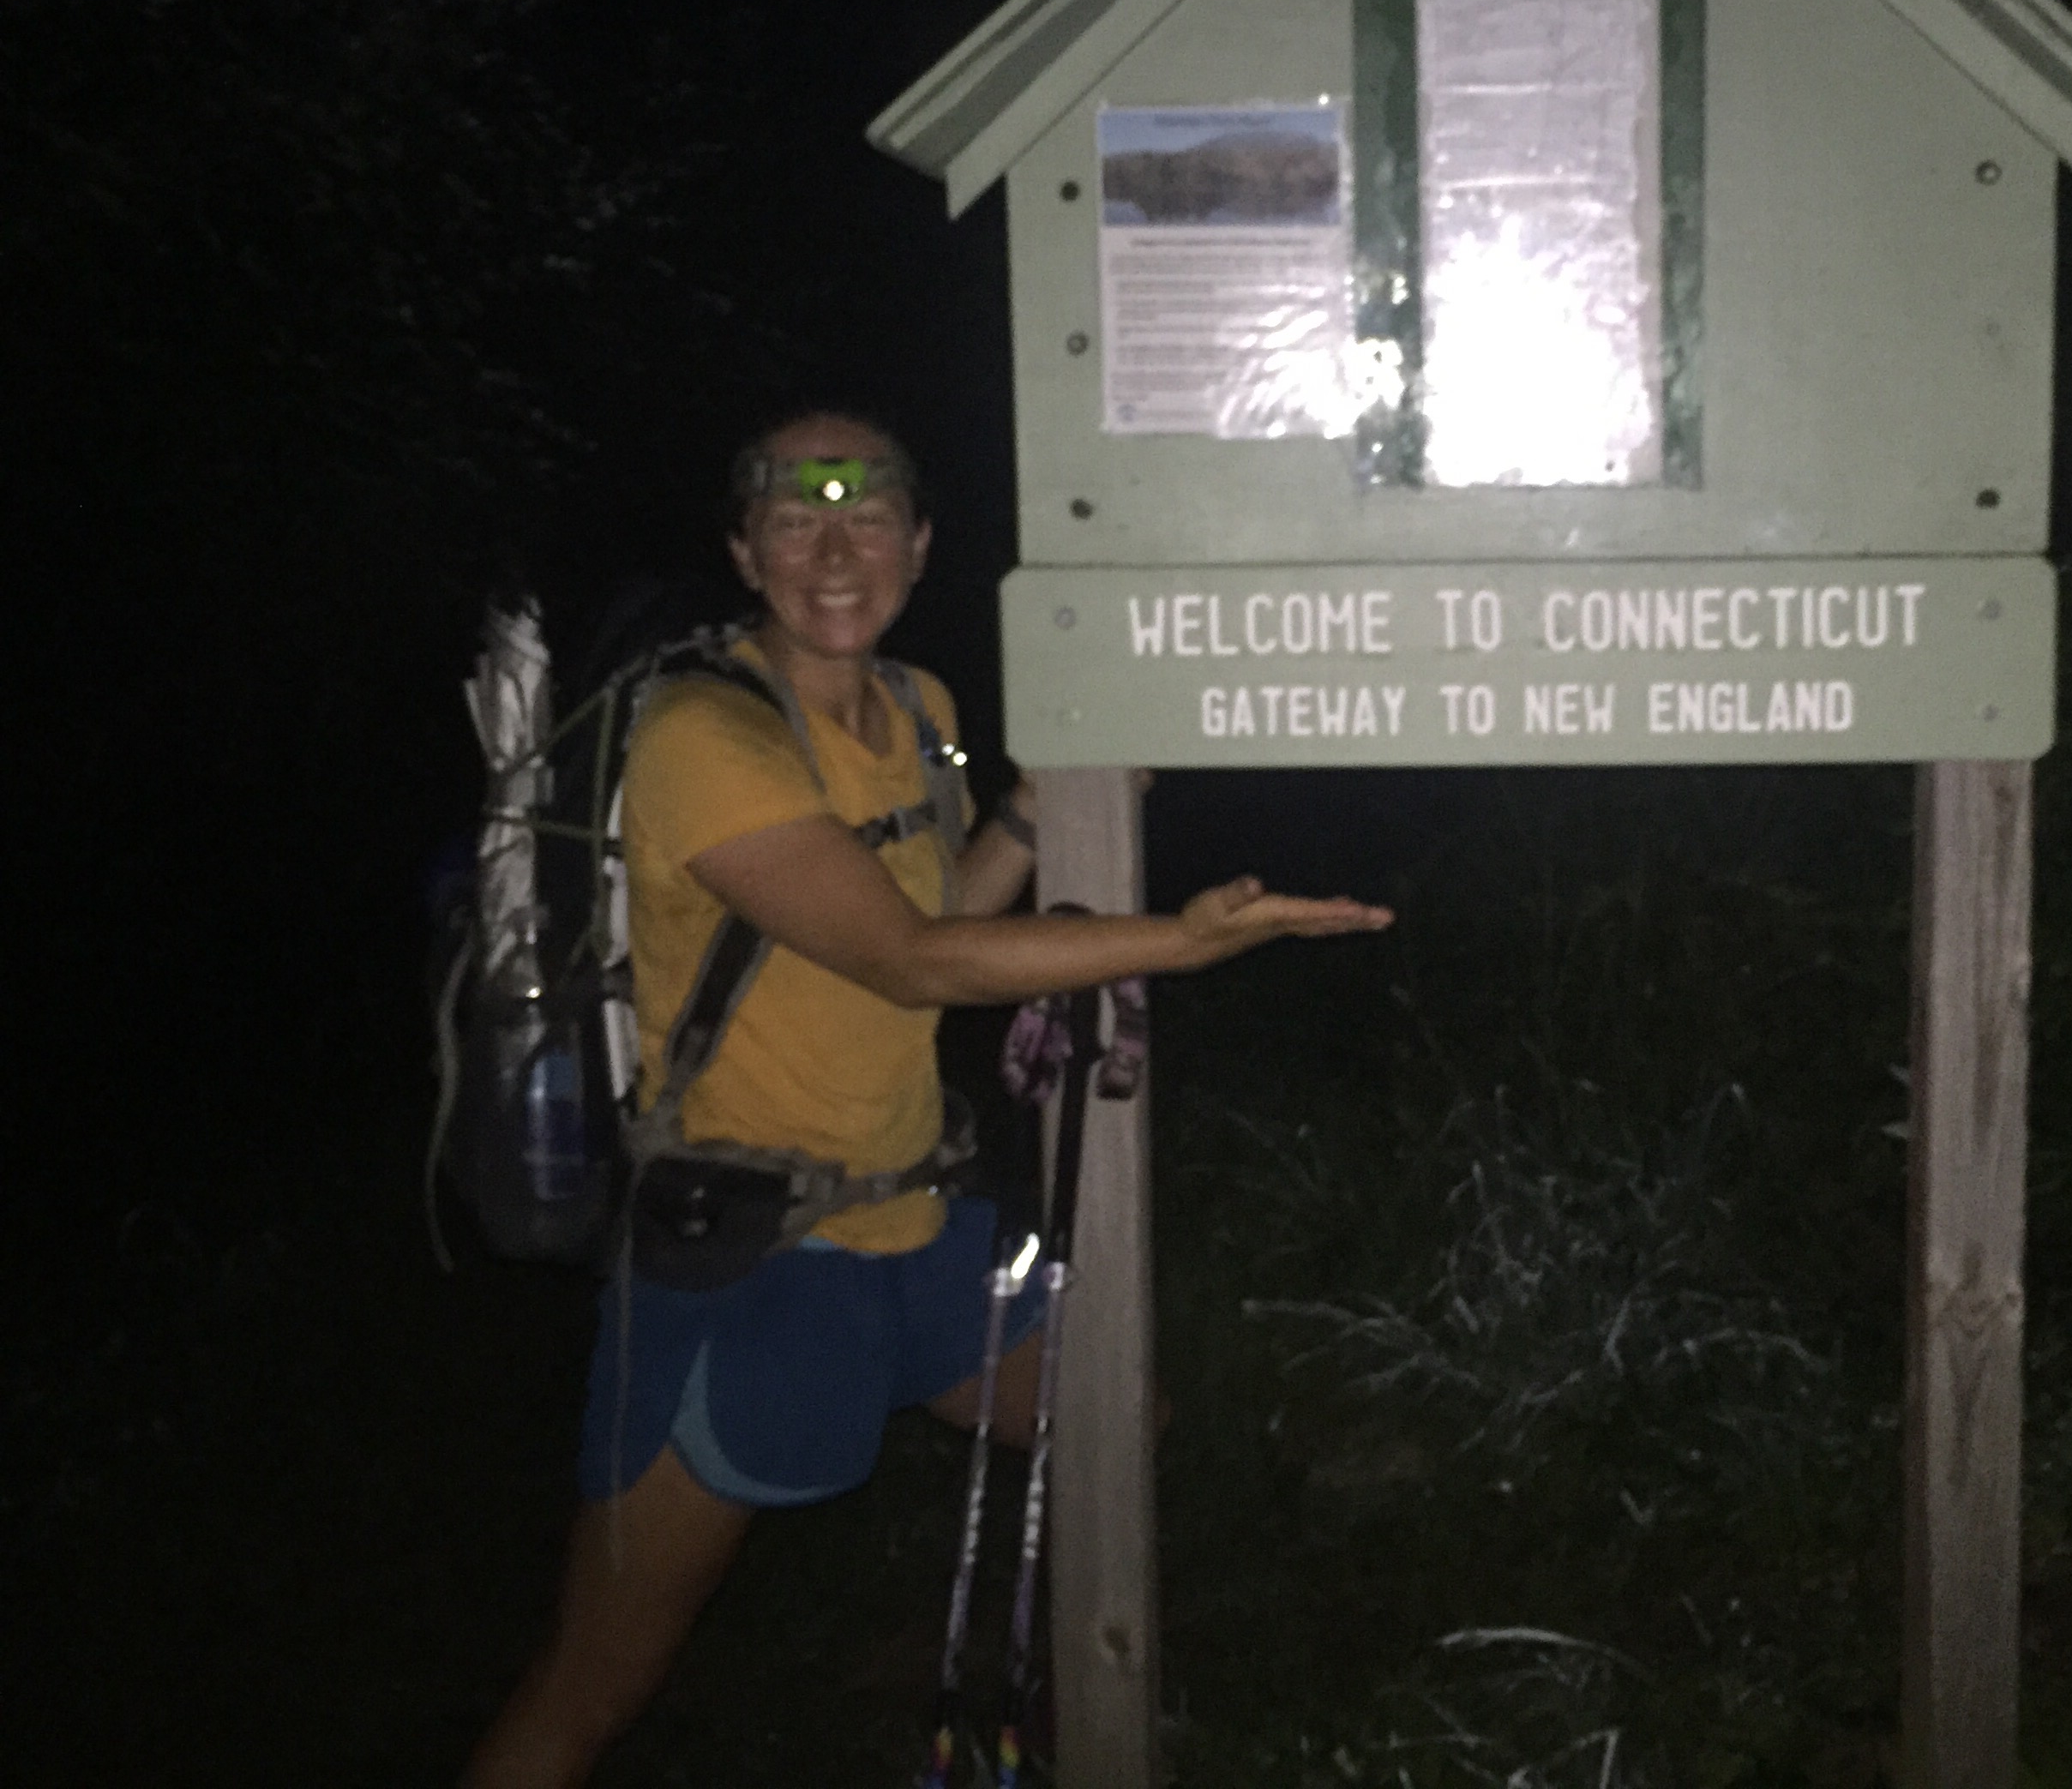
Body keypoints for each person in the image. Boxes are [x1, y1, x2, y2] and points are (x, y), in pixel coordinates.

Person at [465, 409, 1390, 1788]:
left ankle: (1057, 1686)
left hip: (915, 1234)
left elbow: (935, 908)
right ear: (745, 553)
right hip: (749, 1264)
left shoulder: (920, 711)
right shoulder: (702, 735)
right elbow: (911, 962)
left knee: (1118, 1420)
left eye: (870, 520)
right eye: (796, 524)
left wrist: (1032, 813)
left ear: (921, 545)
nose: (836, 555)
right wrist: (1181, 941)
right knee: (595, 1688)